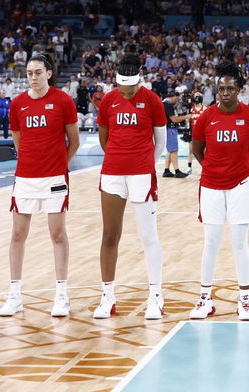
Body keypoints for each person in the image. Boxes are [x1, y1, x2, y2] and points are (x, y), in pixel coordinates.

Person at [0, 55, 79, 317]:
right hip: (25, 178)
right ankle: (14, 295)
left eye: (38, 72)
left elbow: (73, 141)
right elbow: (18, 140)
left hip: (54, 178)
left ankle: (61, 294)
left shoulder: (63, 101)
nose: (33, 77)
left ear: (49, 73)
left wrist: (58, 165)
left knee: (57, 234)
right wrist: (30, 164)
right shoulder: (18, 103)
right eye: (29, 73)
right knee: (18, 234)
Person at [94, 54, 167, 320]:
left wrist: (145, 164)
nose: (125, 94)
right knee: (109, 235)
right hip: (112, 174)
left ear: (139, 79)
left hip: (141, 174)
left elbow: (160, 143)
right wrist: (118, 156)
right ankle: (107, 297)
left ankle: (156, 296)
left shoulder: (153, 101)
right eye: (122, 89)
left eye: (130, 90)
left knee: (148, 237)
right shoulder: (108, 101)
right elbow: (105, 137)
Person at [190, 64, 249, 321]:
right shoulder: (206, 117)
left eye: (230, 88)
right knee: (210, 242)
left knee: (239, 243)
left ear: (239, 90)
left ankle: (244, 299)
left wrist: (242, 169)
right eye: (221, 89)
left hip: (241, 187)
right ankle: (205, 298)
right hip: (210, 186)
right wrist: (213, 168)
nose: (225, 93)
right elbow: (198, 150)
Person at [162, 90, 188, 178]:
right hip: (170, 129)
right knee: (174, 150)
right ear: (173, 97)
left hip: (166, 128)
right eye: (176, 98)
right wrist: (186, 117)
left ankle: (166, 170)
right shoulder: (167, 104)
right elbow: (174, 119)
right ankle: (177, 171)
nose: (177, 100)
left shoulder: (164, 103)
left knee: (170, 151)